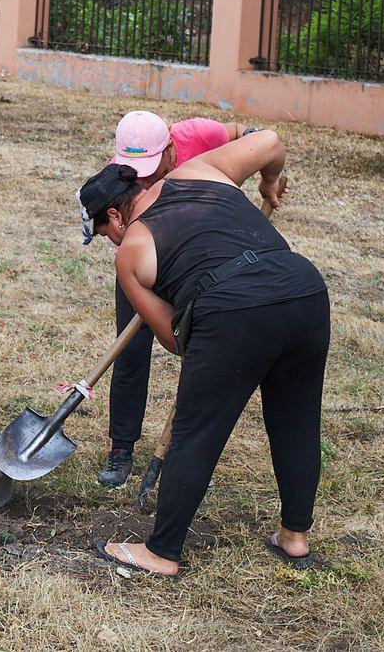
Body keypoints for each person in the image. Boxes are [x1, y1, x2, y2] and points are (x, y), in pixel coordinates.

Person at [79, 130, 328, 577]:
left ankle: (162, 552)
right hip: (303, 288)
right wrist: (270, 182)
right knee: (297, 418)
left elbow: (176, 340)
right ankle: (294, 536)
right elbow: (271, 140)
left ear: (116, 215)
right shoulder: (200, 170)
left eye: (104, 235)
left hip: (233, 311)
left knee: (197, 430)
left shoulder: (132, 249)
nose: (113, 244)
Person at [90, 110, 266, 488]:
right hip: (145, 262)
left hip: (197, 263)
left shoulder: (198, 134)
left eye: (152, 165)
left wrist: (262, 174)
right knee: (131, 350)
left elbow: (245, 135)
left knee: (199, 350)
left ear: (171, 146)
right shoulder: (120, 170)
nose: (145, 178)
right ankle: (121, 447)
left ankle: (177, 453)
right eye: (135, 169)